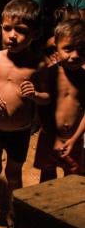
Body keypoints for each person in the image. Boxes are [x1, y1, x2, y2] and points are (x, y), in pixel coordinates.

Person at [0, 0, 50, 228]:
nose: (12, 36)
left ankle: (12, 215)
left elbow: (47, 97)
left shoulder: (38, 64)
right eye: (7, 29)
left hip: (20, 129)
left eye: (21, 31)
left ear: (36, 34)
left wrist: (36, 94)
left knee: (15, 174)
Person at [34, 18, 85, 182]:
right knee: (47, 177)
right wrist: (54, 138)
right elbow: (43, 109)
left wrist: (74, 139)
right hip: (49, 137)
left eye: (81, 50)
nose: (75, 55)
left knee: (72, 179)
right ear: (56, 48)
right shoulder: (50, 74)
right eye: (68, 49)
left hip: (74, 140)